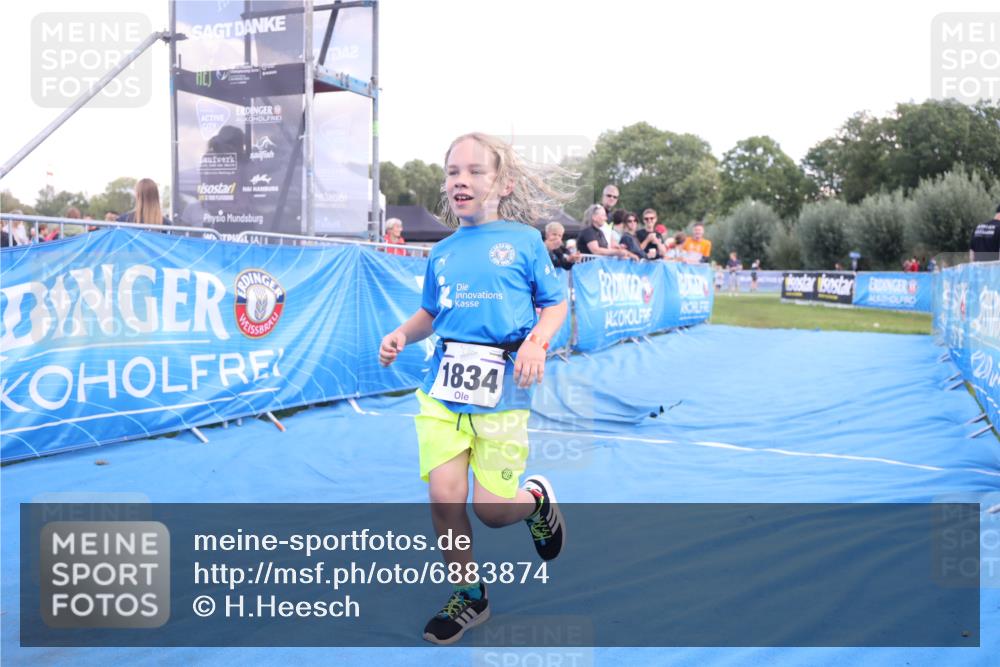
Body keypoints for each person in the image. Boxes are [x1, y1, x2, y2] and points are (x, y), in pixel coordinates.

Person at [378, 132, 568, 646]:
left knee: (492, 509)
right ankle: (470, 593)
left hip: (502, 391)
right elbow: (431, 313)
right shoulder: (441, 252)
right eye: (452, 171)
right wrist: (401, 332)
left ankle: (535, 502)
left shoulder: (524, 242)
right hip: (441, 389)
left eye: (474, 171)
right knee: (444, 497)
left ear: (501, 183)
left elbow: (555, 303)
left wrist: (537, 343)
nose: (460, 180)